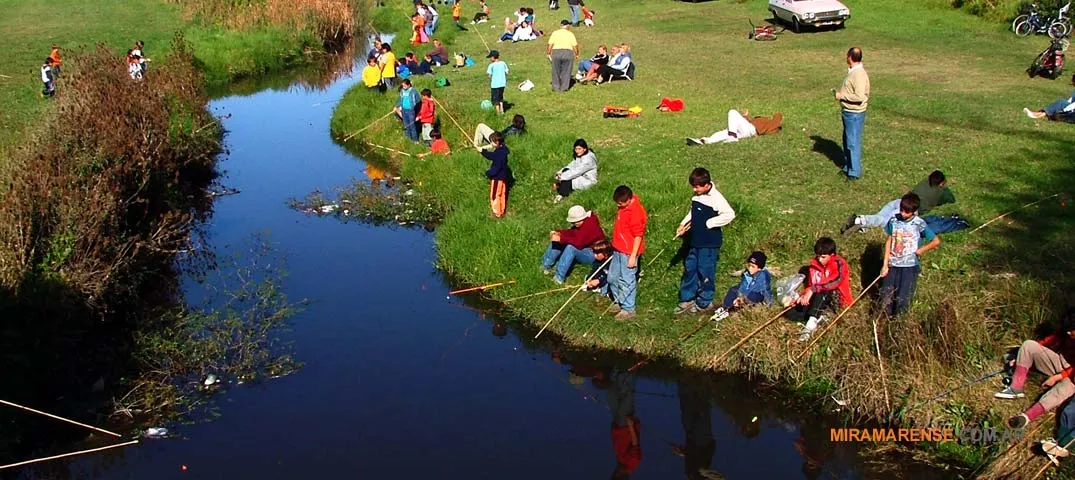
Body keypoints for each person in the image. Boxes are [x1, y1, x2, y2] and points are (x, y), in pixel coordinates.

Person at [995, 309, 1075, 432]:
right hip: (1060, 362)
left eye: (1072, 330)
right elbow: (1046, 342)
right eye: (1067, 330)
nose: (1069, 333)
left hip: (1072, 377)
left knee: (1062, 391)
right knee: (1028, 346)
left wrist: (1058, 377)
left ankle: (1027, 417)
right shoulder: (1065, 333)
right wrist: (1021, 357)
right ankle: (1016, 387)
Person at [674, 168, 736, 316]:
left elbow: (729, 214)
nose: (695, 189)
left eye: (697, 187)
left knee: (705, 271)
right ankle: (687, 298)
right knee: (690, 269)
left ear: (707, 184)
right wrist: (683, 225)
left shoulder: (717, 198)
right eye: (693, 187)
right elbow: (692, 212)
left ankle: (704, 301)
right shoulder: (697, 196)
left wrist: (710, 223)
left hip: (709, 243)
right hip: (695, 241)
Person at [879, 193, 940, 317]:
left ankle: (900, 323)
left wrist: (921, 250)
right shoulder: (894, 221)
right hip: (893, 264)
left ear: (914, 211)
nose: (903, 214)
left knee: (903, 297)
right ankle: (884, 320)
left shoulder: (919, 223)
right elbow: (889, 241)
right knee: (886, 295)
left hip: (909, 267)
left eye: (907, 212)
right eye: (901, 210)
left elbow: (935, 241)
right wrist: (885, 264)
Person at [841, 170, 956, 235]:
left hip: (900, 201)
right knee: (884, 222)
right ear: (941, 183)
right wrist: (944, 187)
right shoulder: (940, 192)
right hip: (909, 208)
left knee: (881, 216)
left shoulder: (924, 182)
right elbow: (951, 198)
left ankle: (863, 227)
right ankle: (859, 220)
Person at [796, 237, 852, 341]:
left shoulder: (840, 264)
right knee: (792, 312)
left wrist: (812, 290)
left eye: (823, 257)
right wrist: (803, 296)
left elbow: (834, 282)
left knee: (825, 290)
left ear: (832, 255)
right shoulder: (814, 266)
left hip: (836, 300)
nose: (820, 260)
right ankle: (818, 317)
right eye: (818, 256)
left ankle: (810, 325)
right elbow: (810, 285)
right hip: (817, 299)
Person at [608, 185, 647, 320]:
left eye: (620, 203)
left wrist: (633, 256)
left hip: (629, 252)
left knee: (627, 279)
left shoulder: (636, 213)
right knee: (612, 277)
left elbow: (638, 236)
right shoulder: (623, 206)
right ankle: (618, 300)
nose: (618, 205)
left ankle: (629, 309)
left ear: (628, 200)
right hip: (618, 248)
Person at [541, 204, 606, 284]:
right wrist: (559, 233)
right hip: (584, 248)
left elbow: (579, 243)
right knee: (559, 240)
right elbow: (572, 233)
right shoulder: (582, 223)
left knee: (571, 248)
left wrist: (561, 239)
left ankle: (559, 277)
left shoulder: (590, 225)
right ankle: (545, 265)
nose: (574, 223)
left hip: (593, 253)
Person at [835, 47, 870, 180]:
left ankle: (854, 172)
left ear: (849, 57)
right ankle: (848, 166)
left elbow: (860, 97)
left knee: (852, 142)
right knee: (847, 140)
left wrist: (841, 96)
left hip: (854, 115)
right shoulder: (854, 72)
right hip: (849, 113)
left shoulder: (859, 75)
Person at [712, 251, 772, 322]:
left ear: (759, 268)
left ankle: (738, 309)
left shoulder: (763, 276)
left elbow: (754, 289)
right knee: (733, 289)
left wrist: (742, 299)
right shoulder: (747, 273)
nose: (750, 268)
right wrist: (739, 295)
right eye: (749, 265)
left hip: (759, 297)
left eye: (753, 267)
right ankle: (725, 308)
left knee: (752, 295)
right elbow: (743, 285)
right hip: (746, 295)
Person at [685, 109, 783, 145]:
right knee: (724, 132)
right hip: (746, 130)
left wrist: (777, 116)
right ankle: (703, 141)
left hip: (751, 130)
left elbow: (778, 120)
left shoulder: (771, 123)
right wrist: (745, 116)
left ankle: (732, 137)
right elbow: (746, 122)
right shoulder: (756, 120)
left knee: (732, 112)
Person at [480, 131, 511, 218]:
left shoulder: (499, 153)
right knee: (502, 194)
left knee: (494, 195)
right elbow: (492, 156)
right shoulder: (503, 151)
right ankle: (501, 211)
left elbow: (495, 168)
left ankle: (496, 213)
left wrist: (488, 174)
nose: (491, 144)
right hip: (503, 178)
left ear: (497, 142)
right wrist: (483, 151)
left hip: (497, 178)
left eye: (492, 142)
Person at [546, 20, 579, 92]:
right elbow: (575, 45)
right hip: (568, 52)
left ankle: (556, 87)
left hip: (556, 52)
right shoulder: (570, 34)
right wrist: (576, 54)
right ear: (567, 26)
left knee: (555, 70)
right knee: (567, 71)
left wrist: (548, 53)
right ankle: (564, 88)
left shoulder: (555, 33)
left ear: (560, 25)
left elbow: (550, 44)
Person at [393, 79, 421, 143]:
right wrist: (396, 106)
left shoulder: (413, 91)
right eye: (403, 86)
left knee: (412, 125)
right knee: (406, 125)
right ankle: (408, 139)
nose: (403, 87)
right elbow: (400, 100)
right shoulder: (402, 91)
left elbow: (418, 102)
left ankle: (415, 140)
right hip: (404, 110)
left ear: (409, 85)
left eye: (405, 86)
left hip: (411, 111)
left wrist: (418, 112)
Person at [485, 50, 509, 114]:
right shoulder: (503, 63)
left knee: (496, 99)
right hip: (502, 84)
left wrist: (490, 75)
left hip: (495, 85)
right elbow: (507, 72)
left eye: (490, 57)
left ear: (493, 57)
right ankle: (502, 110)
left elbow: (489, 75)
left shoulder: (491, 65)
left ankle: (498, 113)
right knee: (500, 97)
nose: (490, 59)